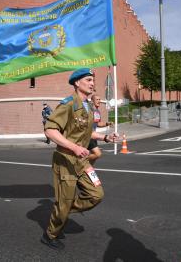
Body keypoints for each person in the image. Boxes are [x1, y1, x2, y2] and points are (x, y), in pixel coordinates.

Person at [41, 68, 118, 250]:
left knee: (96, 194)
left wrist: (106, 138)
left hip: (82, 161)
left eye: (93, 80)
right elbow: (50, 130)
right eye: (88, 80)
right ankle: (51, 234)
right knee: (64, 202)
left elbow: (88, 132)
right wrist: (74, 147)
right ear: (77, 83)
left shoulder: (89, 107)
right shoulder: (68, 104)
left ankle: (64, 210)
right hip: (66, 160)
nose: (92, 83)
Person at [87, 94, 113, 165]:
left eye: (99, 99)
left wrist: (107, 123)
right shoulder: (89, 111)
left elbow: (98, 124)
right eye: (97, 100)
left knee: (94, 155)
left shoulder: (97, 111)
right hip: (88, 136)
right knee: (97, 154)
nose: (99, 101)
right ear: (92, 101)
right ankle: (80, 161)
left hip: (94, 136)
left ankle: (89, 169)